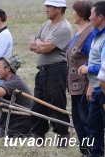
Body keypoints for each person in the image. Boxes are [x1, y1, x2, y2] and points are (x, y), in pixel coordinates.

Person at [29, 0, 73, 145]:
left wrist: (41, 44)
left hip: (56, 70)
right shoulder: (46, 25)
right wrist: (41, 44)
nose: (46, 9)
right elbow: (32, 44)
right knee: (38, 104)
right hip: (42, 71)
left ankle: (62, 137)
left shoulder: (64, 28)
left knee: (56, 104)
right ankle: (39, 136)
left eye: (49, 6)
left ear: (59, 9)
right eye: (46, 6)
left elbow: (45, 49)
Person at [78, 1, 105, 157]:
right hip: (96, 88)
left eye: (92, 14)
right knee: (94, 125)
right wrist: (88, 66)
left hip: (104, 89)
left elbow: (104, 66)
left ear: (100, 17)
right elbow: (95, 59)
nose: (89, 17)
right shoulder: (97, 36)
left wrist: (88, 68)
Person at [66, 0, 94, 155]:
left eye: (74, 11)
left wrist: (91, 84)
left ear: (81, 13)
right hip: (74, 85)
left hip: (85, 85)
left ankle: (92, 151)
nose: (72, 14)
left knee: (86, 120)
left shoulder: (90, 33)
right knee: (77, 121)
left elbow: (94, 57)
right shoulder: (78, 31)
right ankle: (84, 151)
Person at [0, 56, 32, 137]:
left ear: (7, 68)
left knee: (0, 136)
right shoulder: (9, 81)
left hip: (23, 120)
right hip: (15, 118)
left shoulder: (15, 81)